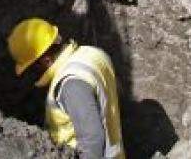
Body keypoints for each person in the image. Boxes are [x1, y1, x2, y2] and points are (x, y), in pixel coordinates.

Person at [7, 18, 125, 159]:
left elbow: (92, 140)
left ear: (45, 60)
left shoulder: (71, 84)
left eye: (32, 67)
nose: (32, 73)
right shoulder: (92, 54)